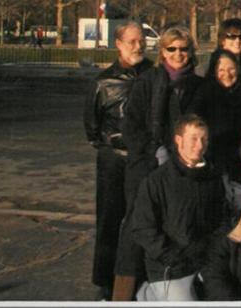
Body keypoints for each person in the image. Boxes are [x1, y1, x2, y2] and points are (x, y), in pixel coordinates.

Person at [115, 25, 205, 301]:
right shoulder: (149, 81)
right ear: (162, 51)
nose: (178, 54)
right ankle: (122, 293)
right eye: (171, 49)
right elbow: (130, 126)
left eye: (183, 49)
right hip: (148, 165)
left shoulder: (199, 86)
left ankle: (163, 285)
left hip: (183, 168)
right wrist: (154, 150)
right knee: (137, 228)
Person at [82, 21, 151, 300]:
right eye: (132, 42)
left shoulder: (153, 74)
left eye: (141, 41)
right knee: (110, 219)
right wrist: (114, 145)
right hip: (114, 161)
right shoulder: (103, 82)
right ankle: (105, 280)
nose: (138, 46)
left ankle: (140, 276)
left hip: (144, 159)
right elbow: (92, 127)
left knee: (144, 219)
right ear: (119, 44)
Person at [129, 115, 228, 301]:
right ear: (178, 140)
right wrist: (172, 257)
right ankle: (150, 294)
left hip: (206, 262)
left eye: (204, 139)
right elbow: (143, 228)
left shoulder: (212, 178)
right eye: (193, 138)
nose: (199, 145)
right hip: (170, 267)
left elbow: (221, 220)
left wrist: (213, 253)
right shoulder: (156, 181)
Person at [193, 49, 241, 173]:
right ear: (214, 72)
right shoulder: (204, 94)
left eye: (231, 69)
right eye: (221, 70)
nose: (227, 74)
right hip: (215, 157)